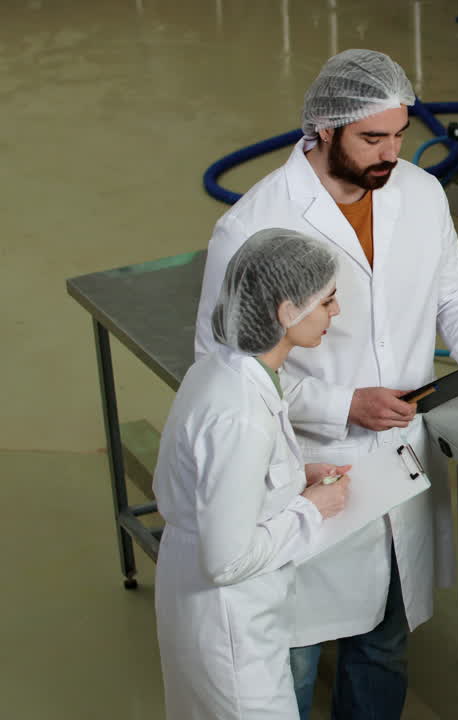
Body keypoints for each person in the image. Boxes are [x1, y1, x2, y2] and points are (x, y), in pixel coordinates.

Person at [193, 49, 458, 719]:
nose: (390, 153)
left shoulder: (418, 192)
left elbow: (453, 290)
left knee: (385, 639)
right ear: (323, 130)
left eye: (399, 134)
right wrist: (339, 403)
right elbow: (218, 365)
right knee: (294, 648)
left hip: (401, 458)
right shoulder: (254, 226)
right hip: (307, 465)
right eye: (371, 138)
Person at [155, 228, 352, 719]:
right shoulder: (240, 412)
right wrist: (311, 508)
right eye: (327, 301)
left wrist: (290, 475)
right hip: (227, 619)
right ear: (287, 312)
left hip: (206, 603)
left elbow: (218, 478)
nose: (337, 312)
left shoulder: (225, 368)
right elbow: (226, 560)